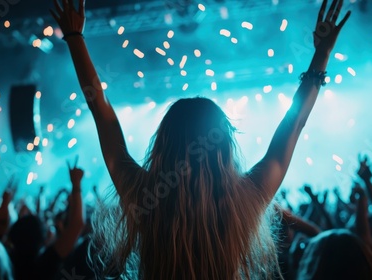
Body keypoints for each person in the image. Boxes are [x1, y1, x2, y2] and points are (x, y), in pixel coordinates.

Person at [50, 0, 351, 278]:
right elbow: (295, 124)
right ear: (224, 146)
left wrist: (75, 38)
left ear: (163, 143)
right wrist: (321, 56)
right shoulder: (244, 200)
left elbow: (100, 111)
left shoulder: (144, 196)